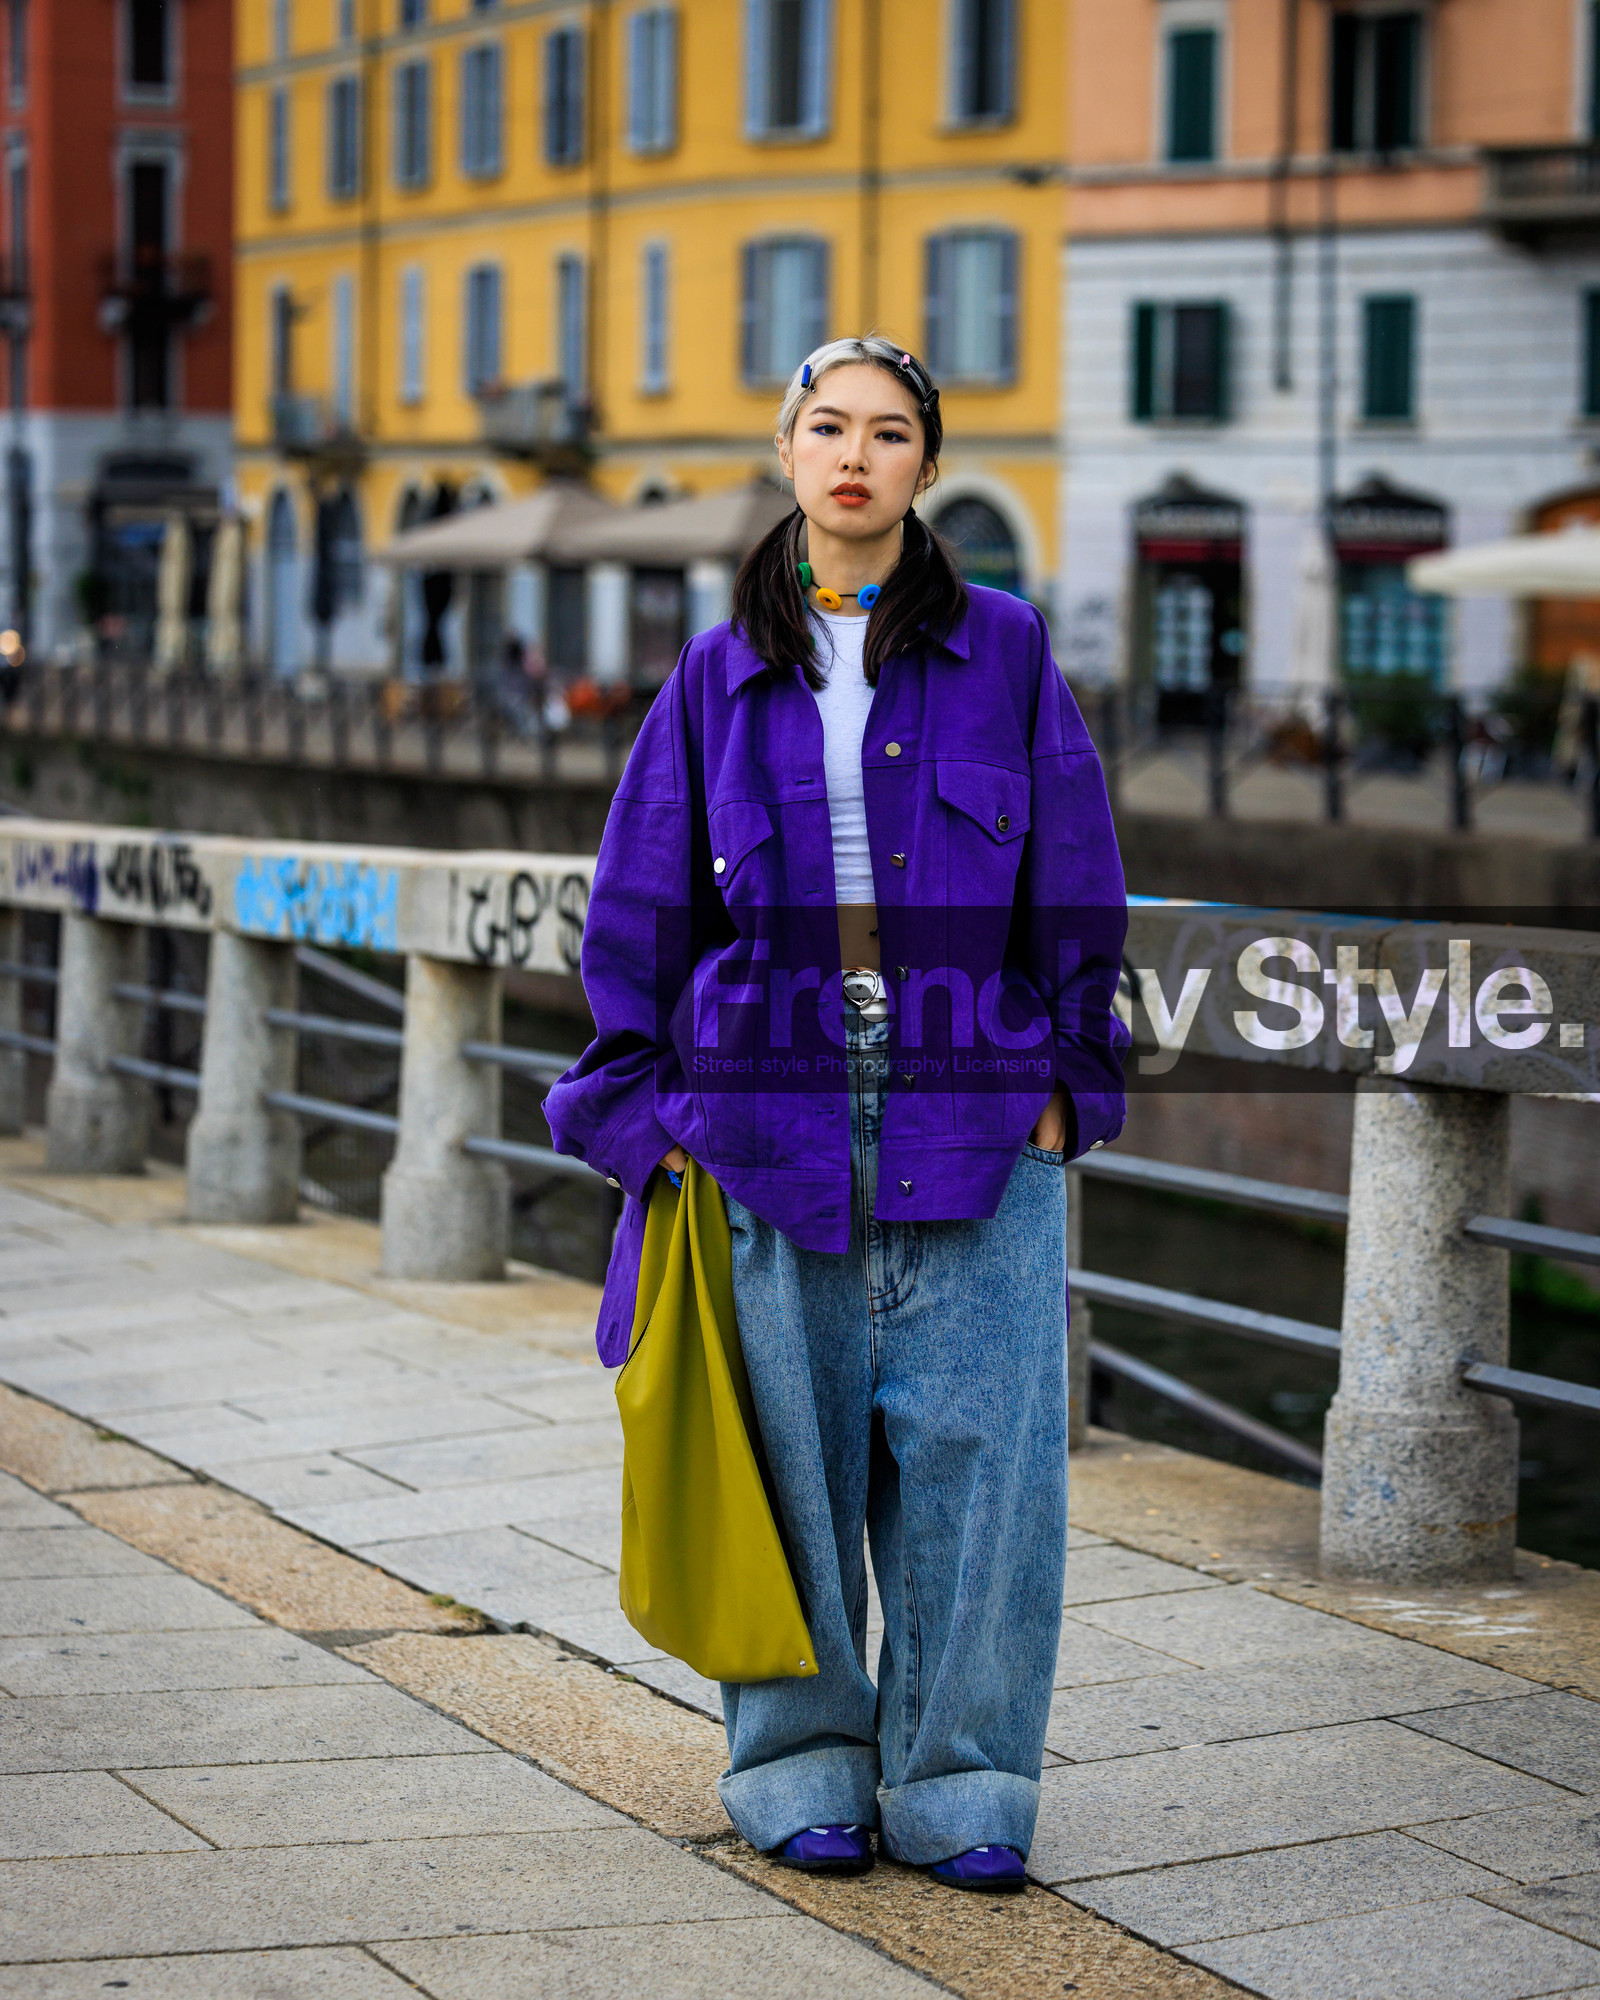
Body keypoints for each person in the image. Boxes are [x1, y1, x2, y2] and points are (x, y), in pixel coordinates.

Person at [543, 334, 1127, 1893]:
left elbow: (1076, 876)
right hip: (764, 1117)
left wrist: (1074, 1084)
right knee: (792, 1465)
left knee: (982, 1471)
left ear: (927, 465)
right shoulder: (715, 672)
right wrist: (643, 1118)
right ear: (786, 454)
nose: (854, 454)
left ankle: (967, 1790)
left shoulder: (1003, 648)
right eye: (826, 427)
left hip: (978, 1109)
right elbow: (641, 901)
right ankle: (800, 1767)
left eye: (887, 431)